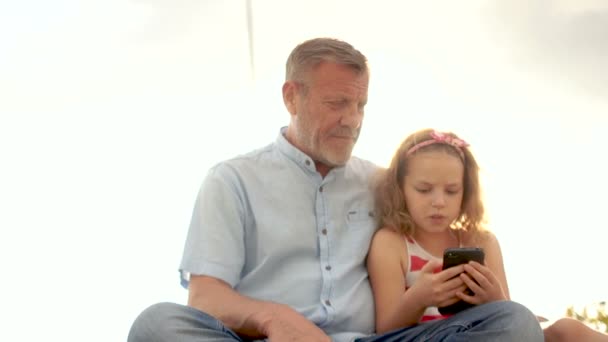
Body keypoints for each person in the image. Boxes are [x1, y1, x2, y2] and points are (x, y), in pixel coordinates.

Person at [128, 37, 544, 342]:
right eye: (336, 104)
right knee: (156, 325)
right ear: (292, 97)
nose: (352, 120)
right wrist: (273, 318)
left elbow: (441, 224)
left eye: (360, 105)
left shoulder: (383, 183)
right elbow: (204, 297)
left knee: (513, 323)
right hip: (262, 340)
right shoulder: (232, 180)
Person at [368, 128, 608, 341]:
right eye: (424, 190)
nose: (439, 202)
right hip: (424, 336)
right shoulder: (391, 243)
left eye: (452, 191)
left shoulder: (482, 242)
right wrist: (419, 298)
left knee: (567, 329)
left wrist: (494, 298)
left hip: (486, 332)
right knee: (522, 321)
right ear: (400, 188)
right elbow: (386, 330)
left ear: (466, 191)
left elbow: (507, 315)